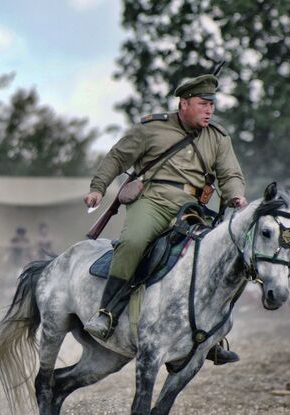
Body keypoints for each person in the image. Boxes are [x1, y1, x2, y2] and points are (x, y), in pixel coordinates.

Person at [82, 73, 247, 365]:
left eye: (212, 104)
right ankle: (106, 313)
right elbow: (117, 158)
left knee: (214, 253)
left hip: (192, 208)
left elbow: (230, 174)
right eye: (202, 103)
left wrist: (236, 196)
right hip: (152, 201)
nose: (209, 110)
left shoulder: (218, 138)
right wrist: (98, 189)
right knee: (133, 242)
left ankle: (212, 336)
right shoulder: (152, 129)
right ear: (184, 103)